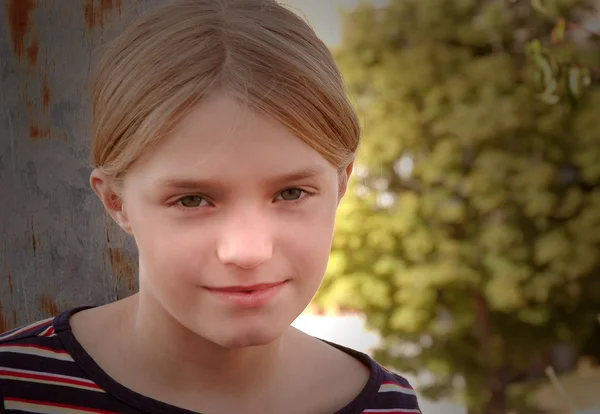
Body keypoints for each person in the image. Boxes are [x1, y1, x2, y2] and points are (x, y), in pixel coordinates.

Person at [0, 0, 422, 413]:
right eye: (192, 199)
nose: (247, 251)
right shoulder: (14, 384)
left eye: (291, 193)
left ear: (342, 182)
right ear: (116, 201)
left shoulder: (389, 405)